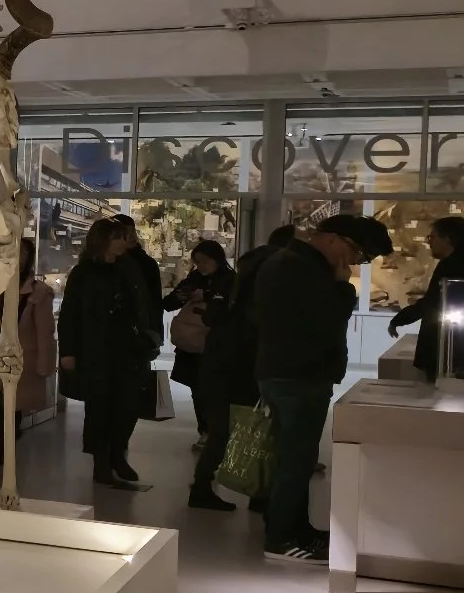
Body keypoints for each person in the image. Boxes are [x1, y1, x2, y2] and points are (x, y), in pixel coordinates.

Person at [253, 214, 391, 563]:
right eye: (358, 253)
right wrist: (343, 287)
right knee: (295, 460)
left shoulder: (293, 263)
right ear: (333, 239)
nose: (356, 262)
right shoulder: (298, 269)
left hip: (291, 373)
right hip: (296, 375)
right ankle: (282, 538)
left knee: (296, 457)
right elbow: (322, 323)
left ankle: (296, 528)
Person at [194, 224, 295, 512]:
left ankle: (233, 489)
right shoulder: (265, 285)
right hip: (241, 365)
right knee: (243, 428)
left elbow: (216, 320)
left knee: (230, 428)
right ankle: (246, 491)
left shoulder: (239, 282)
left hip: (224, 363)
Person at [59, 215, 161, 490]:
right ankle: (101, 462)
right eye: (117, 237)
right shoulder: (84, 273)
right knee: (99, 408)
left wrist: (150, 337)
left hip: (129, 350)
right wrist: (68, 351)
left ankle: (118, 454)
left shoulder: (130, 268)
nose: (123, 242)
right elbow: (69, 314)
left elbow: (145, 305)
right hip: (96, 350)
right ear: (104, 240)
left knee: (128, 406)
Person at [0, 238, 53, 468]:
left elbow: (45, 330)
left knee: (15, 402)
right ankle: (8, 436)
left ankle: (4, 447)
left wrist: (44, 363)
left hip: (22, 355)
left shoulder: (39, 292)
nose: (18, 259)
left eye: (23, 254)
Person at [163, 240, 232, 439]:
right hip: (192, 346)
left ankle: (216, 431)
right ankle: (205, 430)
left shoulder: (229, 280)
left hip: (215, 343)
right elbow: (168, 304)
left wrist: (207, 295)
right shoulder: (193, 279)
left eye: (204, 261)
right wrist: (183, 296)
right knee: (198, 389)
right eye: (197, 262)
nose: (200, 266)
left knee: (214, 390)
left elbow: (229, 307)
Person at [388, 216, 464, 383]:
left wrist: (401, 318)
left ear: (449, 238)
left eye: (433, 237)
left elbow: (432, 303)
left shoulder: (451, 266)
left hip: (447, 348)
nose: (429, 242)